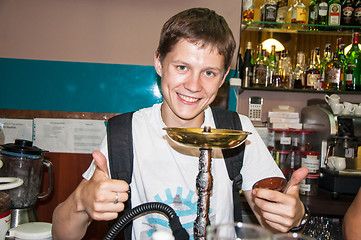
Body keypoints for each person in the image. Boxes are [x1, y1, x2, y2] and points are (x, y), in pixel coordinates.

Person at [52, 7, 309, 240]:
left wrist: (293, 215)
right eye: (182, 67)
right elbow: (62, 234)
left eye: (209, 72)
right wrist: (81, 202)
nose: (194, 86)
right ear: (159, 62)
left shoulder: (237, 131)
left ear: (223, 79)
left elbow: (273, 216)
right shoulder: (124, 134)